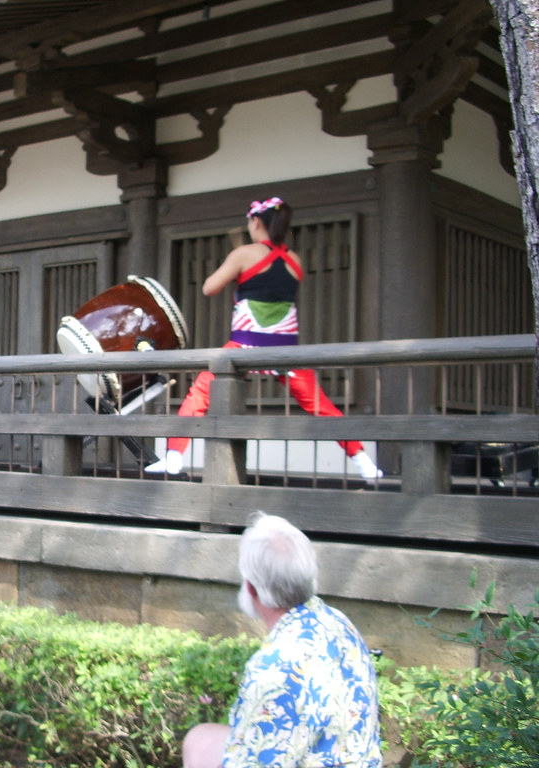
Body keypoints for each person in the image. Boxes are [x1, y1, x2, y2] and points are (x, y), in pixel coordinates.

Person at [146, 197, 381, 479]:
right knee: (321, 406)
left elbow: (209, 288)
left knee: (200, 394)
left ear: (256, 221)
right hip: (285, 349)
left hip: (245, 345)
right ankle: (365, 464)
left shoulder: (244, 253)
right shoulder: (295, 260)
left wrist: (235, 269)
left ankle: (173, 458)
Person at [182, 512, 382, 768]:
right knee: (201, 739)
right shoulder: (338, 621)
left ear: (251, 587)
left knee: (201, 748)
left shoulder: (273, 666)